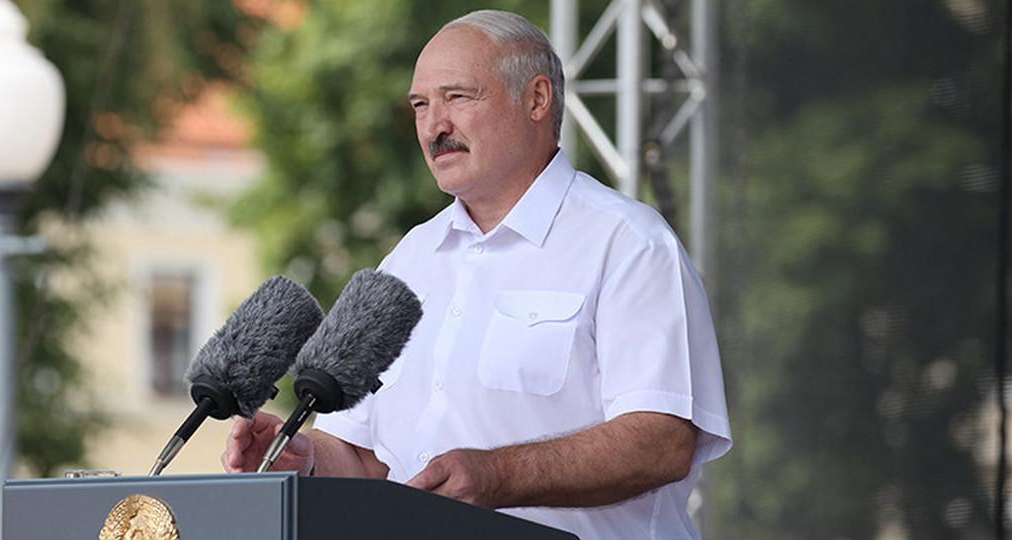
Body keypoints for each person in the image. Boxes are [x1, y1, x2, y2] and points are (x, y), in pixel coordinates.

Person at [222, 9, 731, 540]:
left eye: (458, 97)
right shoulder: (409, 259)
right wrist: (302, 457)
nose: (434, 127)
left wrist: (498, 475)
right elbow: (363, 456)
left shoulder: (629, 244)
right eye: (420, 105)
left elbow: (662, 440)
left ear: (537, 99)